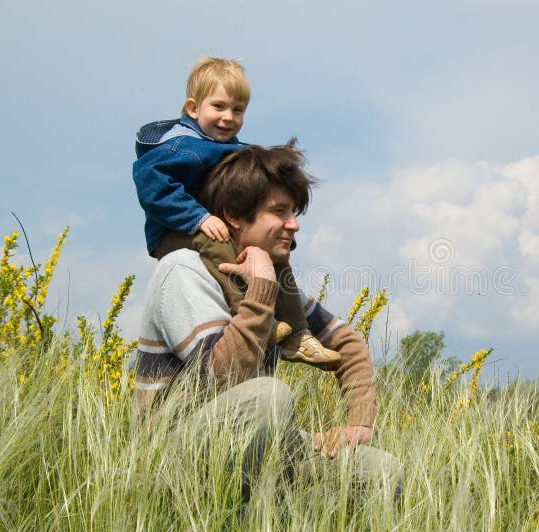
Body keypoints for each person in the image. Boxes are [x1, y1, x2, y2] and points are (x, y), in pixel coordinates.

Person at [132, 140, 402, 504]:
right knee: (270, 398)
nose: (293, 225)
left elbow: (348, 344)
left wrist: (359, 423)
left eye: (294, 213)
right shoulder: (184, 270)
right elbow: (221, 378)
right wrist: (260, 291)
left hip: (252, 441)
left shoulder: (277, 285)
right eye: (279, 211)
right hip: (170, 456)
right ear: (234, 215)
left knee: (381, 471)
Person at [132, 56, 338, 367]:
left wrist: (276, 236)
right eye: (219, 107)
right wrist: (198, 217)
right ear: (192, 108)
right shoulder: (181, 146)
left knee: (275, 259)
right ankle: (254, 314)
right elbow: (151, 184)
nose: (228, 117)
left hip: (217, 226)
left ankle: (298, 334)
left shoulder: (233, 148)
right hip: (176, 231)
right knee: (219, 243)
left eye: (237, 110)